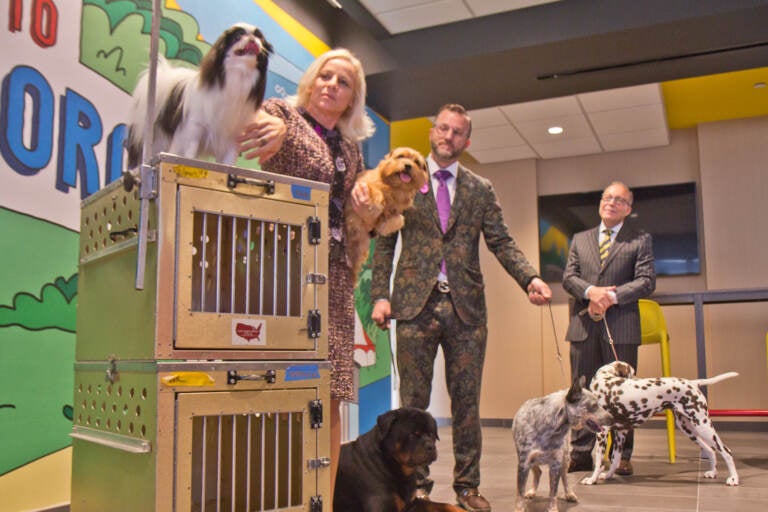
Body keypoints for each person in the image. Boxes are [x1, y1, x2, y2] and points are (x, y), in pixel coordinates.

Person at [370, 104, 552, 512]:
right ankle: (415, 486)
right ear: (432, 132)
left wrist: (530, 278)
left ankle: (468, 486)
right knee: (412, 404)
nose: (448, 137)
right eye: (443, 129)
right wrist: (380, 296)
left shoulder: (479, 189)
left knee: (467, 403)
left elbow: (501, 241)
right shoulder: (405, 179)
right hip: (414, 305)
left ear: (466, 142)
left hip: (466, 309)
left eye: (457, 133)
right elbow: (384, 241)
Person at [238, 48, 376, 494]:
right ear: (312, 81)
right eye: (326, 76)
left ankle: (323, 497)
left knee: (330, 395)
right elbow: (253, 120)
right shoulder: (283, 115)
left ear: (353, 98)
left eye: (343, 82)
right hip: (282, 267)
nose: (332, 86)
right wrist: (271, 126)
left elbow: (360, 218)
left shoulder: (352, 151)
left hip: (334, 278)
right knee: (276, 387)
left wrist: (368, 211)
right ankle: (271, 493)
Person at [562, 181, 656, 476]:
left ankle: (621, 455)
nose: (610, 203)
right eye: (606, 197)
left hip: (622, 327)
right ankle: (580, 453)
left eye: (618, 200)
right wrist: (591, 293)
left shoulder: (640, 240)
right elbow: (569, 278)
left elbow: (646, 281)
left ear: (628, 209)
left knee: (622, 396)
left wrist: (610, 297)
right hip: (583, 326)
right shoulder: (580, 239)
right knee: (581, 391)